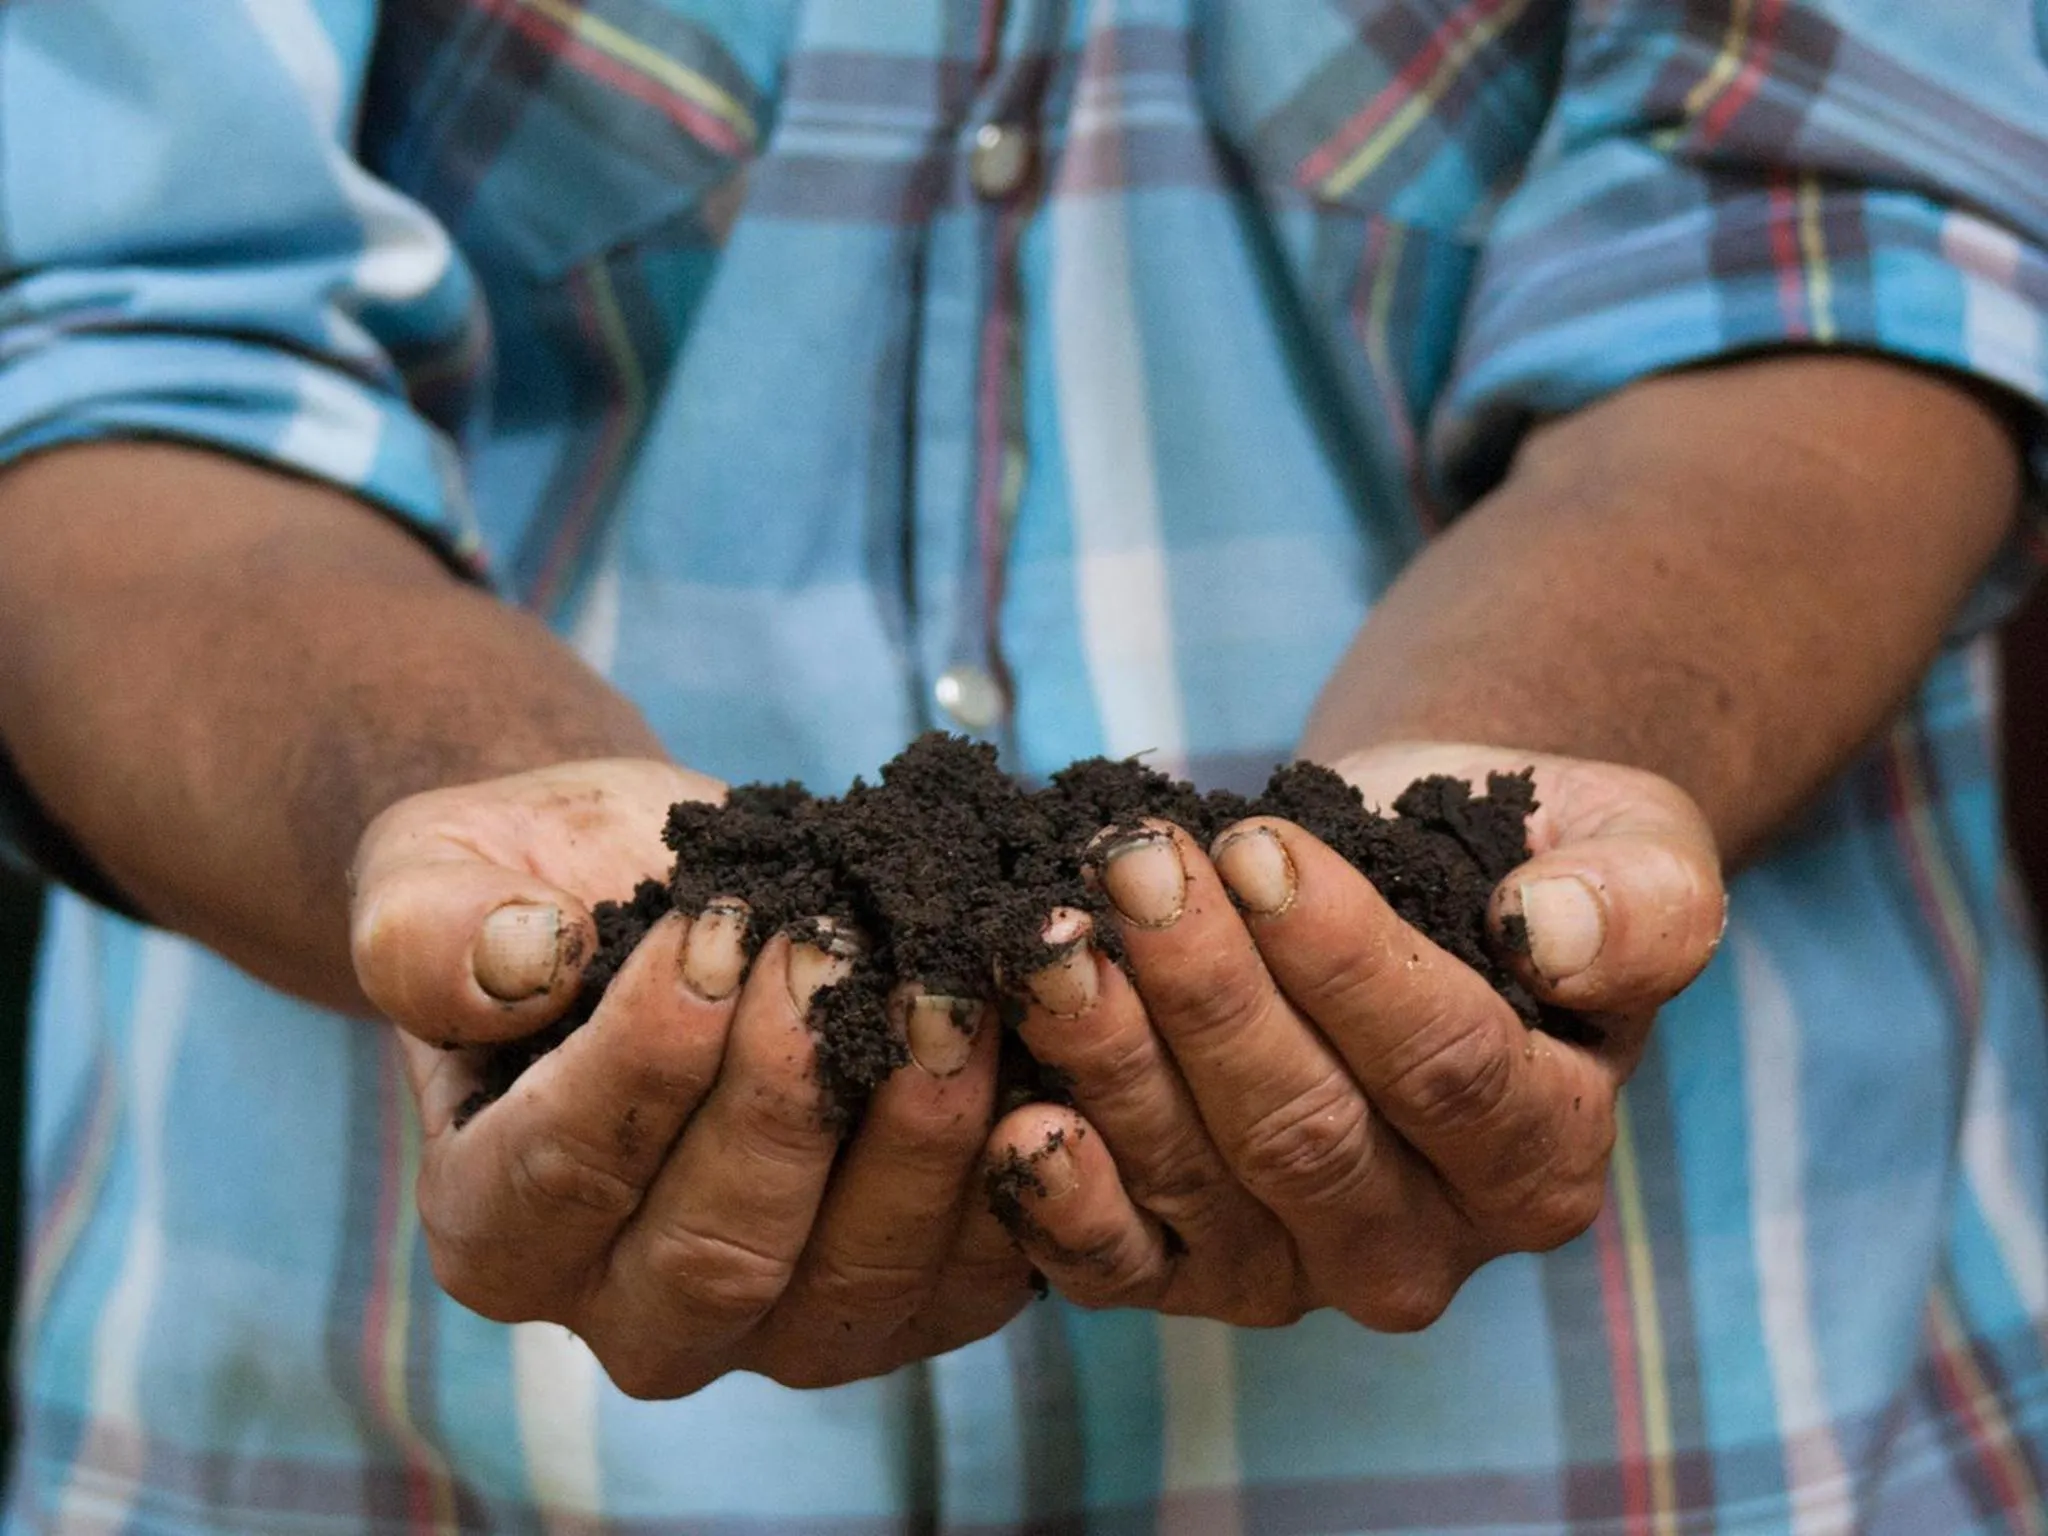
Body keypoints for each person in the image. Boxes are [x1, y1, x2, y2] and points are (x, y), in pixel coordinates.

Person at [0, 0, 2044, 1530]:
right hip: (350, 1439)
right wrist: (481, 865)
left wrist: (1470, 842)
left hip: (1704, 1437)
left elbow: (1836, 248)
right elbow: (88, 333)